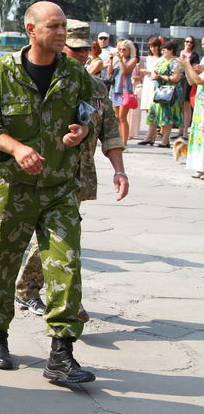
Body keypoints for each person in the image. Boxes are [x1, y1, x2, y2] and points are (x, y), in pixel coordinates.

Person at [0, 1, 97, 384]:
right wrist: (17, 148)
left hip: (60, 187)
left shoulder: (76, 74)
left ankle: (61, 353)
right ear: (31, 29)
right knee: (3, 264)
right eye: (55, 26)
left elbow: (87, 115)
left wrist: (82, 131)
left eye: (64, 27)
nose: (62, 33)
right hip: (15, 188)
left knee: (66, 264)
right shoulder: (3, 72)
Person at [14, 19, 127, 317]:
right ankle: (39, 293)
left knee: (63, 238)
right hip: (43, 174)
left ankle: (51, 297)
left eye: (83, 50)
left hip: (76, 177)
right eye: (72, 48)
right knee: (54, 239)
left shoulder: (95, 87)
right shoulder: (46, 81)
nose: (79, 54)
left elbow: (111, 133)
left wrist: (120, 170)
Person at [141, 40, 181, 148]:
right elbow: (154, 71)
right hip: (159, 90)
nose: (162, 50)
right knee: (153, 113)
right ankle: (150, 137)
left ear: (171, 50)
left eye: (165, 49)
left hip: (169, 92)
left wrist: (161, 76)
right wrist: (155, 74)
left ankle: (165, 140)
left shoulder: (174, 62)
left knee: (167, 115)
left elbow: (176, 78)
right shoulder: (162, 61)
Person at [106, 39, 138, 146]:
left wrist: (120, 60)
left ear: (130, 50)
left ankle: (124, 142)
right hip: (115, 90)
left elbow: (125, 71)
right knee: (117, 117)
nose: (121, 51)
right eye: (120, 49)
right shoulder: (116, 60)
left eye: (124, 49)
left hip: (125, 90)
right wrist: (111, 61)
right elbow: (110, 73)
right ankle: (119, 139)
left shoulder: (132, 60)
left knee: (123, 117)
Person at [179, 55, 204, 178]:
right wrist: (186, 67)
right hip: (200, 105)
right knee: (200, 137)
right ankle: (200, 167)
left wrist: (188, 66)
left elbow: (200, 80)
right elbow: (192, 81)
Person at [178, 36, 200, 139]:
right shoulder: (181, 52)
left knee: (187, 106)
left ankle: (185, 131)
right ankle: (180, 129)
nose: (188, 44)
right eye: (187, 41)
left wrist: (187, 62)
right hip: (180, 79)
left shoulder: (194, 55)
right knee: (180, 106)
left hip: (188, 80)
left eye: (190, 42)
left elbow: (195, 69)